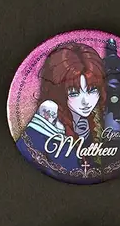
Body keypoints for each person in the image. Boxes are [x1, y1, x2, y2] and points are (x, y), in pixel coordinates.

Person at [16, 42, 105, 177]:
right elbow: (27, 149)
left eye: (92, 90)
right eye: (74, 92)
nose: (85, 101)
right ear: (58, 91)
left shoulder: (81, 119)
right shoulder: (49, 115)